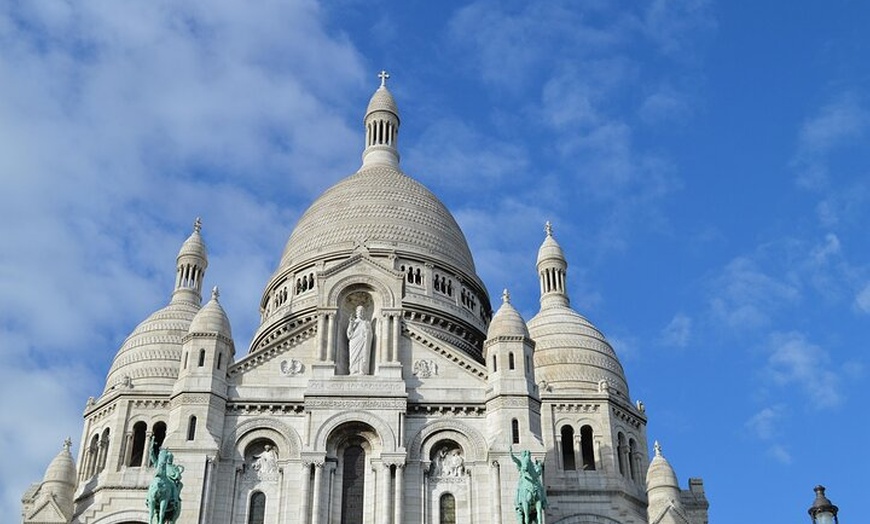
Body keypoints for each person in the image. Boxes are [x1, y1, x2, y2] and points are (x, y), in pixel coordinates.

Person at [346, 305, 372, 375]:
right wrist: (351, 324)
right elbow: (349, 334)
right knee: (353, 357)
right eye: (359, 311)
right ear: (356, 312)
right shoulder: (353, 322)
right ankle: (353, 371)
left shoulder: (366, 323)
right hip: (354, 342)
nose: (361, 312)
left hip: (363, 342)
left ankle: (362, 370)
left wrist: (367, 333)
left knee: (363, 356)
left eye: (362, 311)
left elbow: (370, 334)